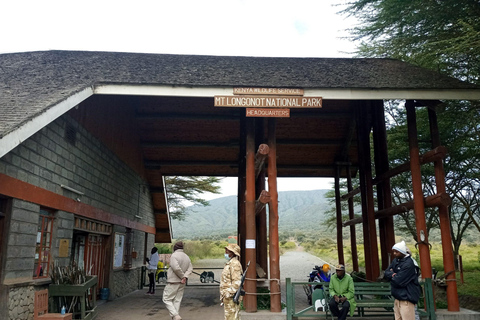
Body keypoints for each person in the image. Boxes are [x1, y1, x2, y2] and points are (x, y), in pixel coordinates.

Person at [384, 240, 421, 320]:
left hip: (407, 297)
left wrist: (393, 274)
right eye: (394, 251)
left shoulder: (409, 264)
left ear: (402, 252)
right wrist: (392, 274)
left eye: (396, 252)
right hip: (397, 297)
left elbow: (398, 281)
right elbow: (386, 272)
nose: (394, 254)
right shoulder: (396, 260)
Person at [162, 241, 193, 320]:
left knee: (166, 299)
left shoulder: (174, 256)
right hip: (182, 282)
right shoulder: (186, 256)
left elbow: (175, 267)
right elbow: (190, 268)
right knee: (177, 300)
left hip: (173, 281)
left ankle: (175, 315)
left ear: (175, 248)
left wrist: (182, 276)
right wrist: (185, 277)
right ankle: (175, 317)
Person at [220, 243, 243, 320]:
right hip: (228, 298)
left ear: (233, 253)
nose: (226, 252)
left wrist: (227, 294)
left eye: (228, 251)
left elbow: (237, 283)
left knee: (232, 317)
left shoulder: (235, 264)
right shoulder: (230, 263)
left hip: (231, 297)